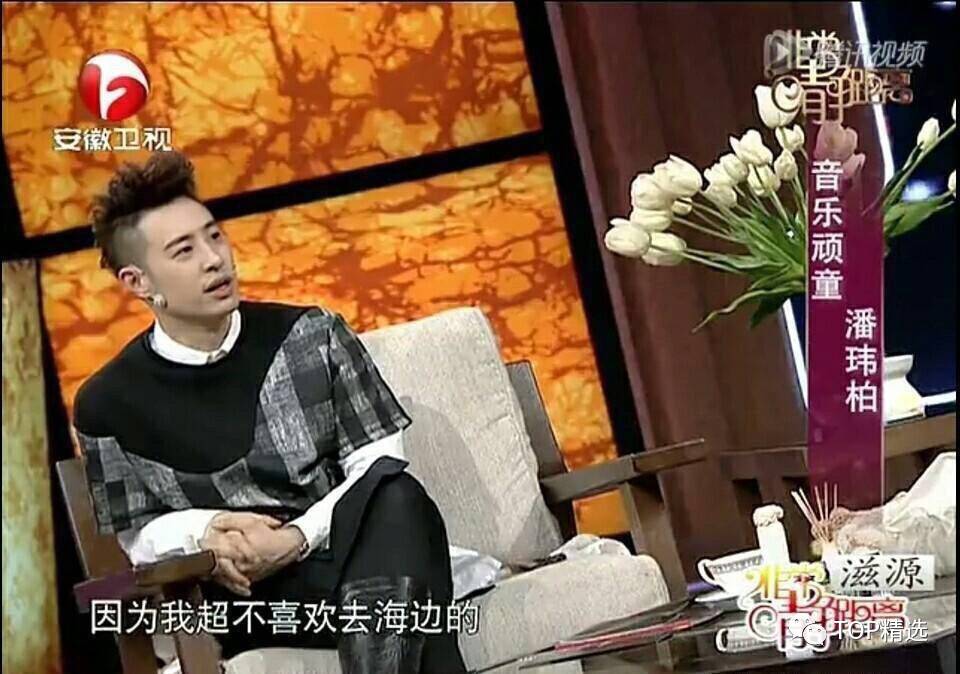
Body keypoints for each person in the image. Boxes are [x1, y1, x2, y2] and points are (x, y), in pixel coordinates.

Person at [71, 150, 469, 673]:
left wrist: (294, 538)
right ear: (138, 282)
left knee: (398, 497)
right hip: (239, 600)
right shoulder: (107, 402)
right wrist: (207, 530)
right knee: (416, 596)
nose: (215, 259)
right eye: (184, 251)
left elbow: (380, 467)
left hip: (345, 568)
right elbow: (137, 536)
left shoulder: (312, 335)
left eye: (215, 236)